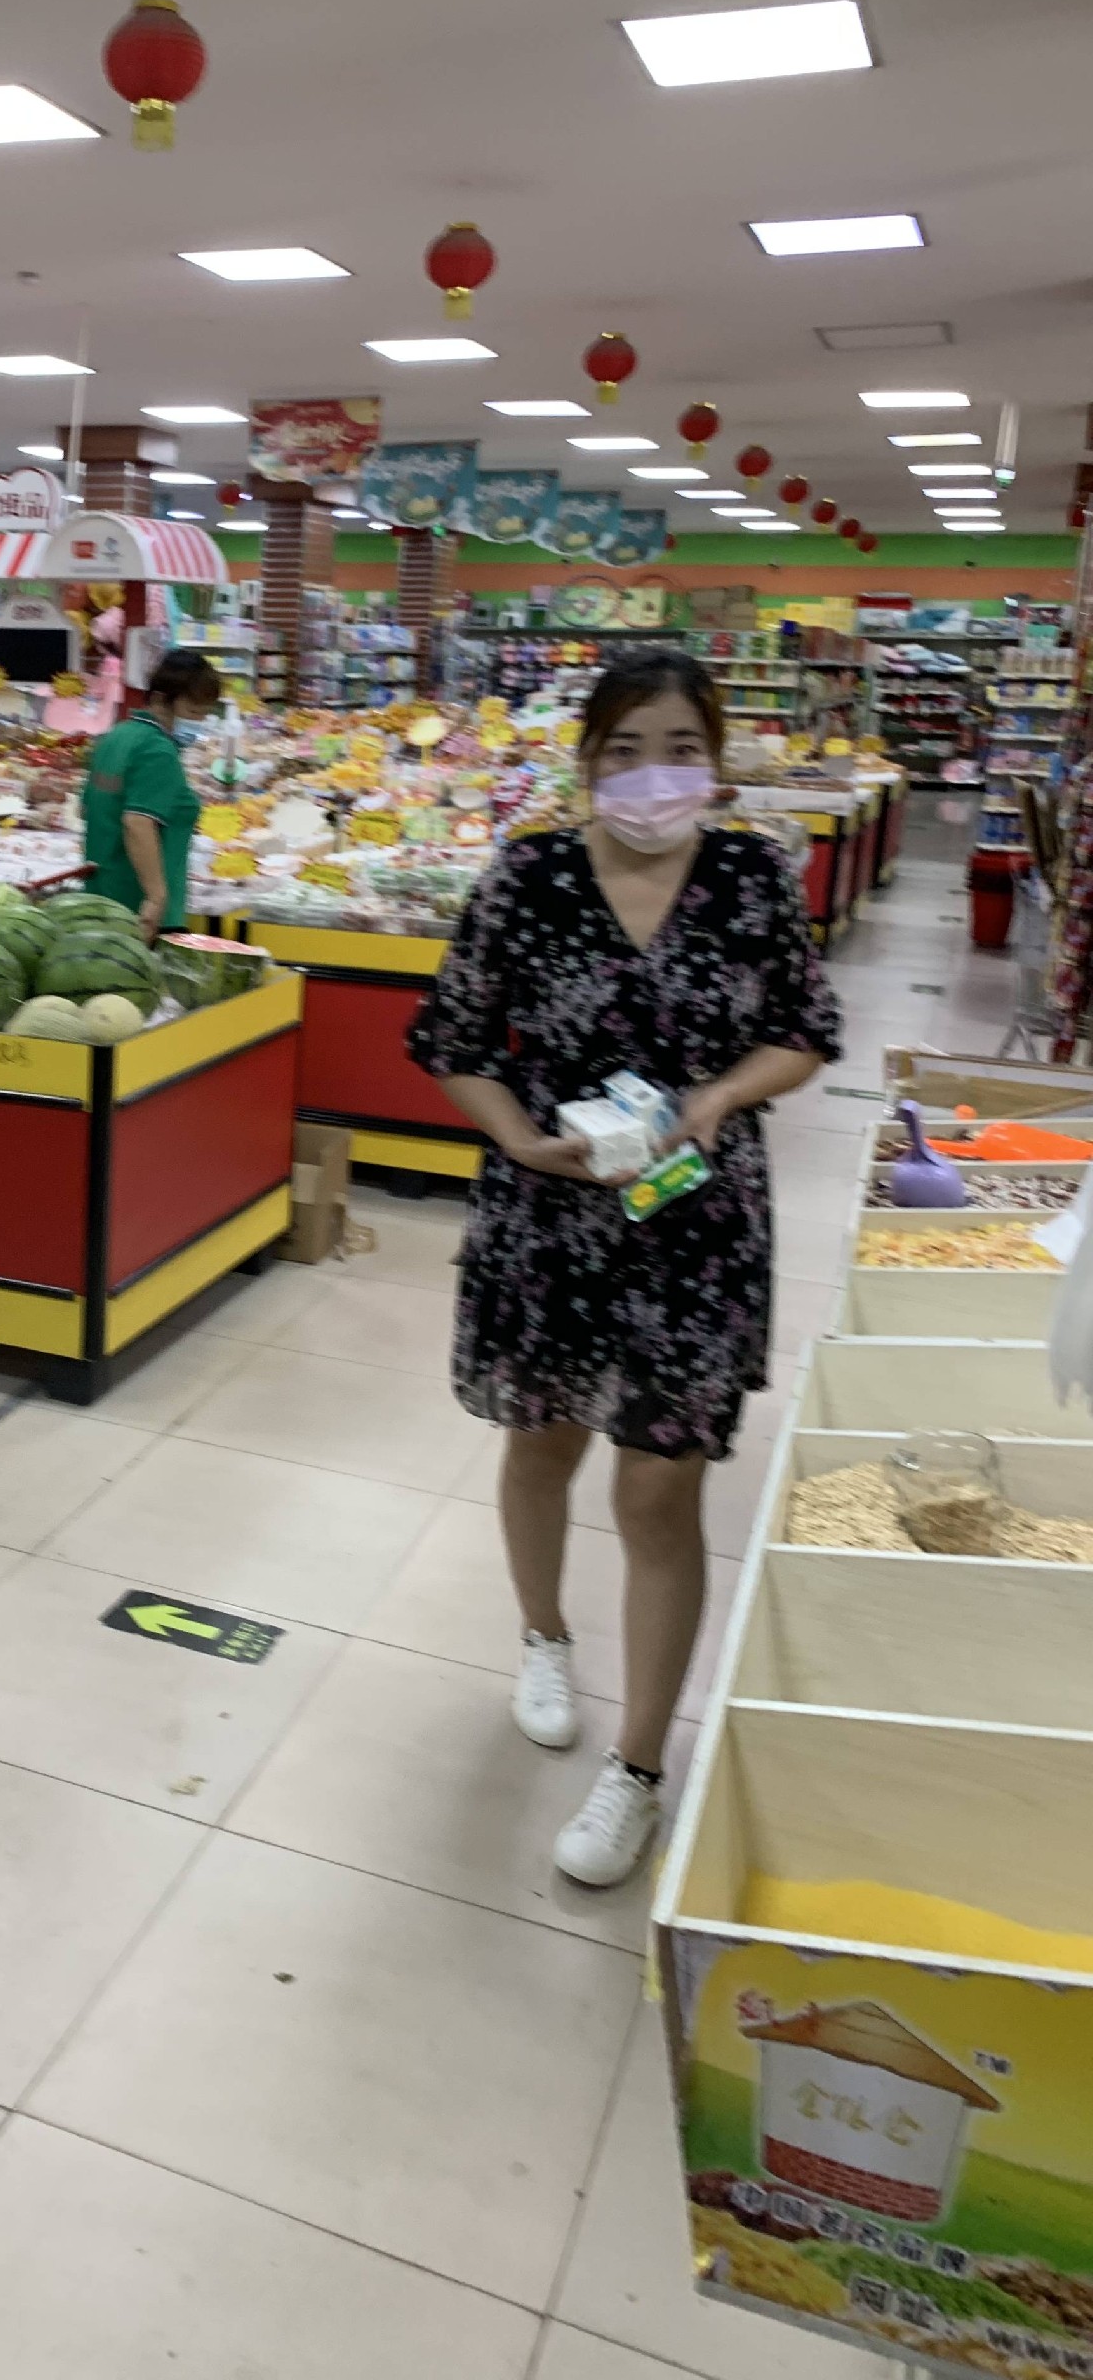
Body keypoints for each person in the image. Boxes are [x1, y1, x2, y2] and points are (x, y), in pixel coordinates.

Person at [407, 651, 841, 1889]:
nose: (655, 775)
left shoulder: (753, 876)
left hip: (697, 1229)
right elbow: (452, 1037)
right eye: (626, 750)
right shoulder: (529, 875)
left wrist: (718, 1098)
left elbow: (805, 1032)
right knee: (540, 1443)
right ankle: (543, 1636)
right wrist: (514, 1136)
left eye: (681, 748)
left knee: (659, 1493)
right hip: (550, 1220)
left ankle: (639, 1770)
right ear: (588, 761)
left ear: (716, 760)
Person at [80, 647, 221, 939]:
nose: (198, 722)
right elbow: (137, 822)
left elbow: (87, 808)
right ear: (159, 700)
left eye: (204, 713)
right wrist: (156, 897)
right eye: (192, 712)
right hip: (139, 907)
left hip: (101, 894)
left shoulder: (116, 736)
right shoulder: (158, 750)